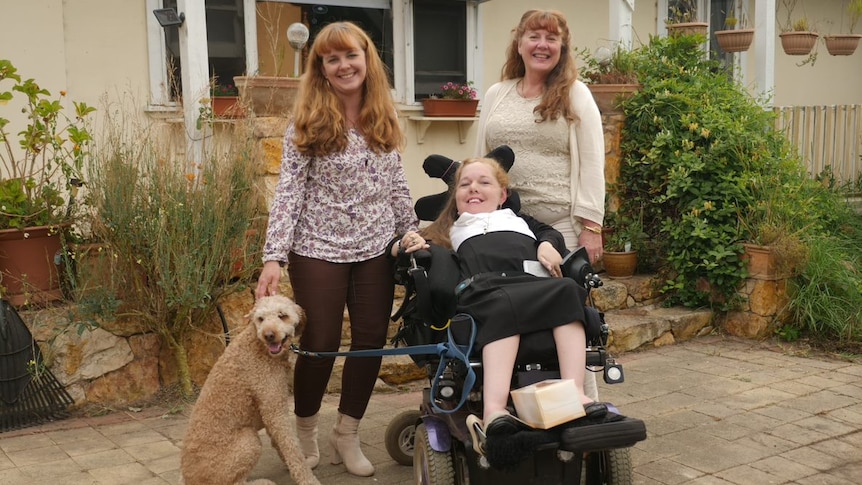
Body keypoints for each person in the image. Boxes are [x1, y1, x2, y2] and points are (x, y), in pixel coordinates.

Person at [255, 21, 426, 477]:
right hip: (317, 247)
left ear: (366, 59)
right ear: (322, 69)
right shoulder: (306, 122)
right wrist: (274, 256)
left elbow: (396, 185)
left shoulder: (382, 117)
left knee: (369, 342)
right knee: (321, 343)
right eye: (332, 58)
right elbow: (289, 193)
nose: (343, 64)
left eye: (351, 55)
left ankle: (346, 434)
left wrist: (410, 234)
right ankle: (306, 430)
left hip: (376, 246)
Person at [475, 9, 605, 400]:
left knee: (567, 318)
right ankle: (515, 404)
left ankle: (584, 406)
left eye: (552, 38)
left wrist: (591, 225)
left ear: (562, 47)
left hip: (559, 227)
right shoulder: (498, 94)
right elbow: (480, 158)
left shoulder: (575, 93)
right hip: (506, 230)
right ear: (519, 43)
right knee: (508, 316)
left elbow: (593, 161)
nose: (542, 45)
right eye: (534, 36)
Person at [419, 157, 598, 439]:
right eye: (465, 184)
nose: (473, 188)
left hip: (529, 283)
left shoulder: (520, 221)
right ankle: (494, 409)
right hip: (484, 289)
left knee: (567, 290)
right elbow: (414, 245)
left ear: (503, 195)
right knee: (502, 302)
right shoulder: (448, 229)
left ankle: (574, 392)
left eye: (484, 182)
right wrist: (411, 243)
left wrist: (548, 245)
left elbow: (549, 233)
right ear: (455, 198)